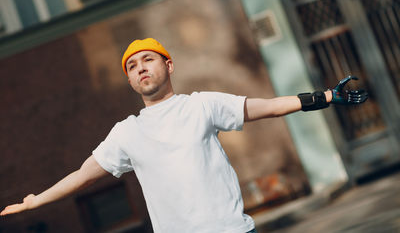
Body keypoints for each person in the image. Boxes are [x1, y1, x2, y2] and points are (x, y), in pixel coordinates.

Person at [0, 38, 368, 232]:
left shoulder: (201, 105)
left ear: (168, 65)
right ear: (129, 80)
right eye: (132, 65)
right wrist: (36, 202)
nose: (140, 67)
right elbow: (83, 175)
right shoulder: (126, 133)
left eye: (148, 59)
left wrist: (325, 96)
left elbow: (266, 106)